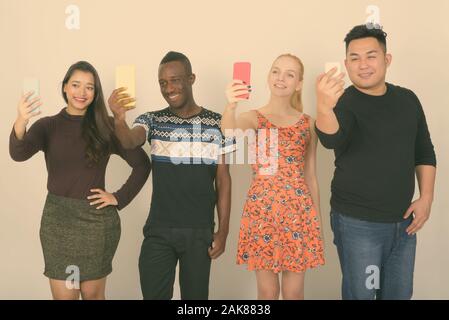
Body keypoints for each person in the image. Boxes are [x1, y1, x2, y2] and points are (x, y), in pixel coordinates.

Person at [9, 61, 151, 300]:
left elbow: (142, 164)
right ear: (65, 87)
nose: (81, 93)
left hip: (96, 223)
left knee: (92, 295)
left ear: (95, 93)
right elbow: (18, 153)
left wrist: (118, 197)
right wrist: (21, 120)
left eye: (89, 87)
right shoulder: (48, 126)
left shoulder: (106, 125)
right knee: (65, 297)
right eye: (75, 85)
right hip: (58, 223)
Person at [315, 25, 437, 300]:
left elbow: (424, 151)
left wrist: (426, 197)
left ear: (387, 59)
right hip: (359, 224)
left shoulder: (407, 99)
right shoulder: (343, 102)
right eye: (354, 58)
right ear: (346, 64)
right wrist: (323, 106)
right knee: (363, 296)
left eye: (371, 56)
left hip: (404, 223)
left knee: (399, 295)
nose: (363, 65)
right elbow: (330, 138)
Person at [108, 51, 234, 300]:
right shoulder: (152, 120)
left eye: (175, 80)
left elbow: (224, 179)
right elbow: (130, 140)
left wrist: (224, 231)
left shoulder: (219, 124)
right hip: (159, 231)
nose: (169, 88)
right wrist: (119, 119)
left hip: (199, 231)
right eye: (163, 83)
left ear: (191, 78)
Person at [221, 54, 325, 300]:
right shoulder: (252, 117)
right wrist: (231, 105)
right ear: (268, 77)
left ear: (299, 83)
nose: (281, 78)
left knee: (294, 293)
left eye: (290, 74)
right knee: (267, 293)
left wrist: (316, 222)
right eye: (276, 71)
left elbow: (310, 175)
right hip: (262, 212)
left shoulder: (309, 123)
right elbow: (229, 134)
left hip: (298, 214)